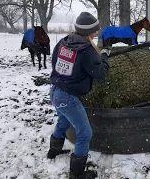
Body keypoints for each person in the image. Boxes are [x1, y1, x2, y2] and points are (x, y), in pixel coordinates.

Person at [47, 12, 111, 179]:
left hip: (55, 91)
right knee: (85, 133)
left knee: (63, 120)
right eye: (95, 31)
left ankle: (53, 151)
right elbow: (100, 73)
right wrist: (104, 57)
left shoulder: (64, 42)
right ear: (88, 31)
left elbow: (55, 63)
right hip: (67, 97)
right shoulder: (87, 50)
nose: (96, 33)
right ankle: (76, 174)